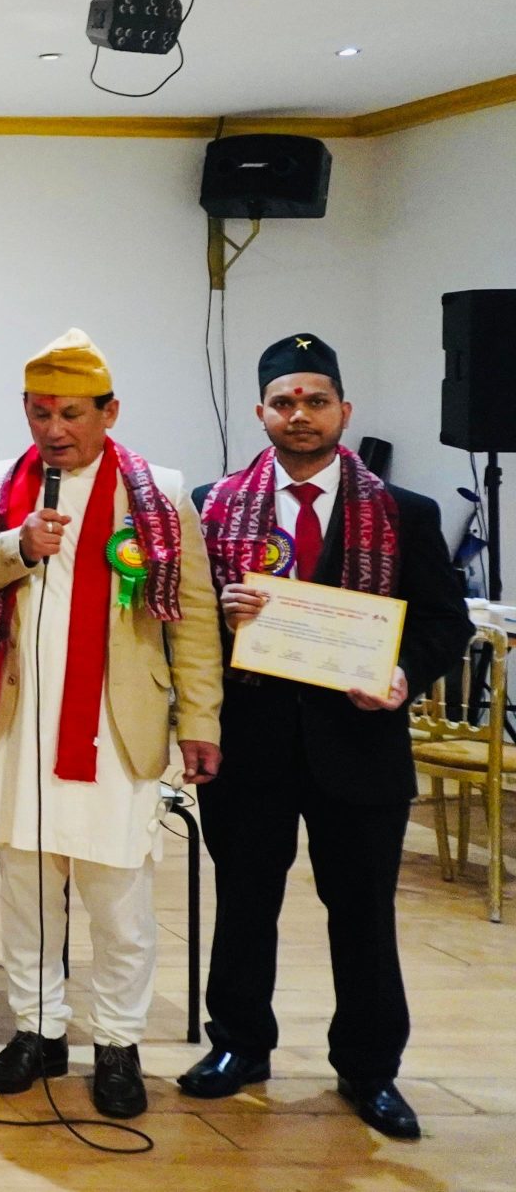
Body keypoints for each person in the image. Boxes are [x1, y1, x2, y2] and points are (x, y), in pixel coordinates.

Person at [0, 328, 223, 1121]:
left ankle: (118, 1042)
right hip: (19, 721)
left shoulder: (160, 492)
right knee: (25, 889)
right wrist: (15, 545)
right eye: (39, 412)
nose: (54, 430)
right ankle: (38, 1028)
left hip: (118, 726)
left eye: (71, 413)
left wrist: (201, 720)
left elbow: (194, 619)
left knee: (118, 895)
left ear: (109, 411)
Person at [178, 335, 468, 1140]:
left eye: (315, 400)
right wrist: (222, 615)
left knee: (364, 913)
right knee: (245, 902)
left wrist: (402, 673)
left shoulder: (406, 511)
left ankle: (370, 1068)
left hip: (362, 746)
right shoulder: (212, 503)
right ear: (261, 412)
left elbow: (444, 621)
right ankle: (239, 1044)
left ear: (344, 409)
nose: (299, 414)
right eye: (284, 401)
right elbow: (186, 623)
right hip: (250, 743)